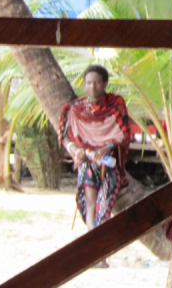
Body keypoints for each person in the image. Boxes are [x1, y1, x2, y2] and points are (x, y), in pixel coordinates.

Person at [59, 64, 131, 267]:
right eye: (89, 82)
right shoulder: (76, 109)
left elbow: (123, 134)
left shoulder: (116, 104)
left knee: (104, 208)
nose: (93, 86)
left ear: (105, 84)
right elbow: (66, 138)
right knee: (90, 206)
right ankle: (94, 254)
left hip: (110, 166)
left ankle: (101, 253)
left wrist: (108, 147)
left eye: (97, 82)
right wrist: (75, 151)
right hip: (88, 164)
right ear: (84, 84)